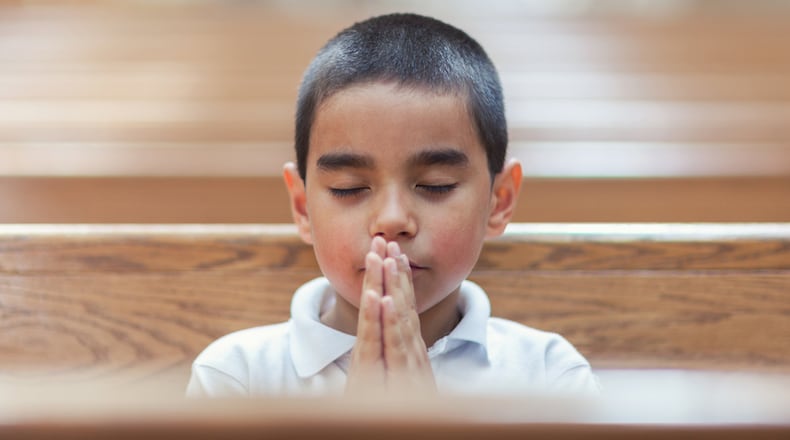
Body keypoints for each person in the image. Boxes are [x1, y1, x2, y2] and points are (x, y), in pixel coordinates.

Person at [187, 12, 598, 397]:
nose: (392, 220)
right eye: (349, 188)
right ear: (302, 205)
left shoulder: (548, 377)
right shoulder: (236, 379)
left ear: (499, 200)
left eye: (436, 186)